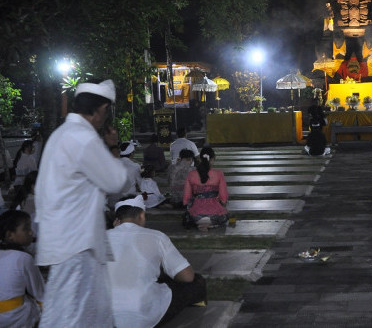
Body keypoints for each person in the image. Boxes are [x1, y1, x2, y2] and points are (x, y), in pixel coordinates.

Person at [35, 78, 129, 327]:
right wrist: (113, 146)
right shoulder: (82, 137)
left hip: (70, 238)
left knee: (84, 311)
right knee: (69, 314)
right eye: (106, 111)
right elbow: (117, 181)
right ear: (101, 109)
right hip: (76, 242)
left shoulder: (62, 134)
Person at [106, 195, 207, 327]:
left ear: (117, 220)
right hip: (143, 315)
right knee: (196, 281)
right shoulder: (157, 236)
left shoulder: (100, 238)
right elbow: (187, 276)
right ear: (141, 215)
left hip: (104, 316)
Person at [0, 210, 45, 328]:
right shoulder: (24, 258)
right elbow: (40, 294)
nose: (31, 232)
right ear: (10, 235)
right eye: (26, 228)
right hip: (14, 318)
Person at [183, 147, 228, 230]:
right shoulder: (219, 174)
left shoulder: (191, 174)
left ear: (200, 159)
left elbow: (186, 198)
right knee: (225, 216)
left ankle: (200, 225)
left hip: (196, 217)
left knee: (188, 216)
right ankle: (210, 225)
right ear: (213, 159)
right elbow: (224, 198)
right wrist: (223, 206)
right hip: (215, 217)